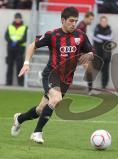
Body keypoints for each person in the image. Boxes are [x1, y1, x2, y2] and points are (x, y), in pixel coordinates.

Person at [11, 7, 94, 144]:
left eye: (76, 21)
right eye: (71, 21)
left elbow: (90, 52)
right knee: (56, 99)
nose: (74, 23)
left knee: (40, 109)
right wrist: (26, 63)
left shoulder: (81, 36)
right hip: (51, 74)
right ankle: (37, 133)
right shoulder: (53, 35)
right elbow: (33, 45)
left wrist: (89, 56)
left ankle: (19, 119)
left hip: (66, 79)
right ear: (63, 20)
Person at [5, 13, 27, 86]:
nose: (18, 19)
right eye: (16, 18)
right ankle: (8, 83)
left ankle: (20, 84)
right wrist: (11, 41)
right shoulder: (9, 26)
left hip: (20, 49)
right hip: (10, 48)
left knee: (19, 66)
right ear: (14, 19)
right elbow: (6, 36)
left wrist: (17, 42)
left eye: (19, 18)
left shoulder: (25, 27)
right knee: (10, 65)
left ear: (21, 19)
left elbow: (25, 38)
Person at [77, 11, 95, 95]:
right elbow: (79, 40)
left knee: (89, 68)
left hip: (80, 52)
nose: (91, 21)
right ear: (86, 17)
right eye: (90, 19)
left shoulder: (84, 26)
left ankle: (90, 89)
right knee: (89, 68)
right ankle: (90, 90)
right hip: (78, 52)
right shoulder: (81, 26)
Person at [93, 16, 113, 89]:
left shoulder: (109, 28)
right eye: (102, 21)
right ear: (100, 22)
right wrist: (104, 38)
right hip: (98, 52)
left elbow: (110, 38)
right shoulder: (97, 27)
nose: (104, 23)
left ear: (107, 22)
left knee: (105, 70)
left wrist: (100, 36)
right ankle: (92, 86)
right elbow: (95, 38)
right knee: (95, 69)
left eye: (105, 21)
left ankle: (104, 86)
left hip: (106, 54)